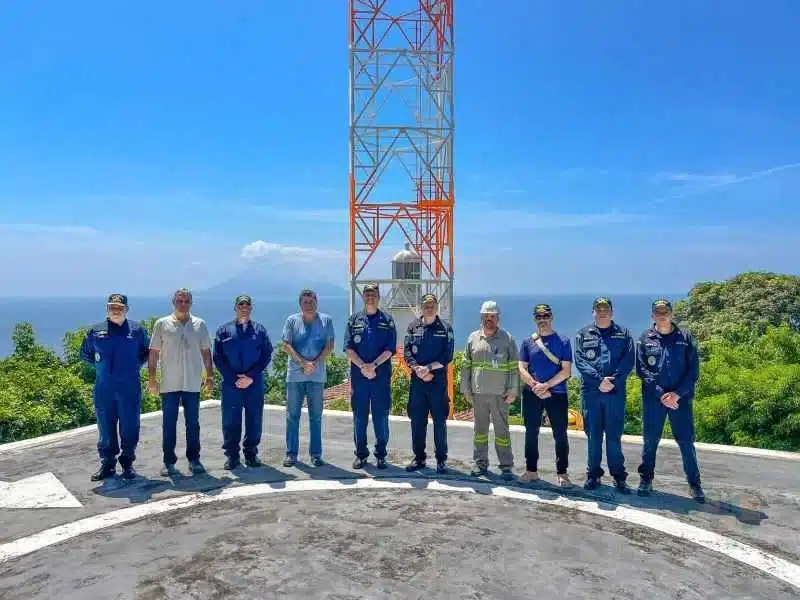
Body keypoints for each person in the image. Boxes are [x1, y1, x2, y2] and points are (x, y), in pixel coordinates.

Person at [636, 298, 705, 502]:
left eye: (665, 311)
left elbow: (693, 371)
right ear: (653, 316)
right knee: (650, 441)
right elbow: (642, 371)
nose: (662, 315)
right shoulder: (644, 339)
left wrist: (676, 394)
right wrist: (661, 394)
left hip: (680, 400)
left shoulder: (685, 337)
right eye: (658, 312)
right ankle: (646, 479)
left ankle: (695, 484)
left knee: (685, 442)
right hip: (653, 400)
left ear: (671, 314)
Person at [80, 294, 150, 481]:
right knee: (105, 428)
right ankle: (108, 465)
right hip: (105, 389)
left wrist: (132, 366)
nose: (115, 310)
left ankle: (127, 463)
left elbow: (145, 353)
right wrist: (103, 370)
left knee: (130, 427)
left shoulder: (137, 330)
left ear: (126, 309)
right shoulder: (95, 331)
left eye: (119, 307)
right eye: (112, 307)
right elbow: (86, 354)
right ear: (107, 308)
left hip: (129, 388)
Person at [148, 288, 214, 476]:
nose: (183, 304)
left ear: (191, 303)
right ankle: (168, 462)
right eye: (179, 301)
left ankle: (194, 460)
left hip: (192, 382)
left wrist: (209, 376)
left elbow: (206, 352)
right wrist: (152, 379)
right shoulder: (162, 324)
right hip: (169, 383)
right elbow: (153, 352)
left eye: (186, 301)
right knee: (169, 424)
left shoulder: (199, 324)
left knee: (193, 424)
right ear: (173, 302)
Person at [574, 297, 635, 492]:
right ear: (593, 312)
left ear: (612, 312)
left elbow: (628, 360)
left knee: (614, 436)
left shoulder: (623, 334)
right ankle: (593, 475)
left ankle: (618, 476)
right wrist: (599, 380)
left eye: (606, 309)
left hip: (615, 393)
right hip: (592, 393)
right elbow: (580, 361)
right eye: (598, 309)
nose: (602, 312)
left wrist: (612, 381)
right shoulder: (583, 334)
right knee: (593, 436)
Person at [213, 295, 274, 470]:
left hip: (253, 383)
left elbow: (266, 354)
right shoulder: (224, 331)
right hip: (231, 383)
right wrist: (233, 378)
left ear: (251, 308)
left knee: (254, 418)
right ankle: (232, 456)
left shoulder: (260, 331)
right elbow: (218, 357)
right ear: (235, 308)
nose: (244, 308)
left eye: (247, 305)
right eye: (241, 305)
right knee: (230, 420)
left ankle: (251, 454)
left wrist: (251, 376)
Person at [517, 303, 574, 487]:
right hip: (533, 392)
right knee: (531, 432)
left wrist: (546, 385)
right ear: (535, 319)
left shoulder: (563, 341)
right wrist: (535, 385)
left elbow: (566, 371)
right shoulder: (528, 342)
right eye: (539, 317)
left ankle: (562, 473)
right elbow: (521, 367)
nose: (542, 320)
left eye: (545, 316)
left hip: (557, 393)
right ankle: (531, 470)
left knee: (560, 434)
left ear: (551, 317)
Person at [461, 300, 518, 480]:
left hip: (500, 395)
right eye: (486, 316)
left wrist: (513, 390)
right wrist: (466, 390)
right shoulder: (473, 338)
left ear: (497, 318)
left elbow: (513, 367)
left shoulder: (507, 339)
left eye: (492, 316)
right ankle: (480, 464)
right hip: (478, 395)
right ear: (481, 317)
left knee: (502, 432)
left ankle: (506, 466)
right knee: (480, 432)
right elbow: (465, 366)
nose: (489, 319)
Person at [343, 283, 397, 469]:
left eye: (373, 294)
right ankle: (361, 454)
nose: (370, 297)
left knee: (381, 417)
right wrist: (363, 367)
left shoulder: (387, 320)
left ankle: (381, 454)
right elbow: (348, 348)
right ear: (363, 297)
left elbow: (390, 349)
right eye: (367, 294)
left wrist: (372, 366)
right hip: (359, 379)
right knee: (360, 417)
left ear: (378, 297)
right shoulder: (353, 320)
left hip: (380, 377)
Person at [281, 289, 335, 467]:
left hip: (317, 375)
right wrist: (303, 362)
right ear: (300, 304)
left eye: (311, 301)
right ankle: (291, 454)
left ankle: (316, 454)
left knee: (316, 416)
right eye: (305, 302)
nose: (308, 305)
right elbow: (286, 345)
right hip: (295, 376)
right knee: (292, 416)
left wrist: (314, 363)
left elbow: (330, 345)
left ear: (317, 302)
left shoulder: (326, 320)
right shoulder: (291, 320)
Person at [403, 292, 455, 474]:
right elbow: (407, 352)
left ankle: (441, 460)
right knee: (417, 421)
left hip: (438, 382)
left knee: (440, 421)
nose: (429, 308)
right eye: (426, 305)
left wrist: (429, 369)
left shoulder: (446, 328)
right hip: (418, 382)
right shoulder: (412, 327)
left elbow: (447, 355)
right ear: (421, 307)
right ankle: (419, 458)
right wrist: (418, 369)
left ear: (436, 307)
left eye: (432, 305)